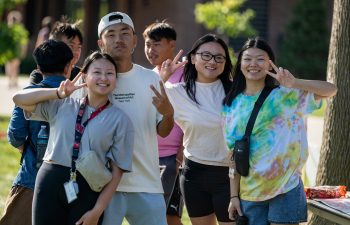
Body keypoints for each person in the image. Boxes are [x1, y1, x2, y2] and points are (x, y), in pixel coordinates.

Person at [76, 12, 187, 225]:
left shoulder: (151, 79)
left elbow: (163, 130)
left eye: (125, 33)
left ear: (135, 40)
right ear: (101, 43)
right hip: (100, 184)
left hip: (146, 183)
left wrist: (168, 113)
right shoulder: (89, 80)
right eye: (111, 34)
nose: (119, 39)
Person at [221, 37, 337, 225]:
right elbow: (233, 155)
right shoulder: (230, 105)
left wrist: (295, 83)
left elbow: (331, 89)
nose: (253, 64)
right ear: (240, 63)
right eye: (248, 58)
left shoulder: (286, 96)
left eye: (260, 58)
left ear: (270, 63)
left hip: (286, 188)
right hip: (250, 192)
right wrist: (234, 196)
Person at [12, 50, 134, 225]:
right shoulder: (63, 103)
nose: (104, 78)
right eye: (97, 72)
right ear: (84, 77)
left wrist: (97, 211)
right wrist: (57, 93)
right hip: (49, 182)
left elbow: (117, 172)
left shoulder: (121, 120)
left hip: (89, 187)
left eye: (110, 73)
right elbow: (18, 99)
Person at [160, 33, 234, 225]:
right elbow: (143, 98)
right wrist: (164, 76)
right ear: (192, 58)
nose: (213, 61)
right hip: (193, 176)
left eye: (219, 57)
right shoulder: (177, 92)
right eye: (206, 55)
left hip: (229, 176)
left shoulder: (236, 92)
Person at [1, 39, 74, 225]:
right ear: (68, 67)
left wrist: (23, 147)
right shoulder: (77, 95)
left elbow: (15, 134)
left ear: (38, 68)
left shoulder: (28, 95)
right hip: (70, 184)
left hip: (31, 178)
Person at [143, 20, 184, 225]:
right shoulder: (147, 75)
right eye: (148, 45)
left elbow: (191, 119)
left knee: (170, 216)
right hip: (148, 157)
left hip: (171, 160)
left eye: (156, 44)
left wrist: (179, 158)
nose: (150, 50)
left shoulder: (186, 75)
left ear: (172, 45)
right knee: (151, 215)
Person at [30, 17, 83, 86]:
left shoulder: (82, 75)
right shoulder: (40, 75)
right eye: (71, 46)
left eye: (79, 47)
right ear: (55, 45)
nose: (76, 51)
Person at [5, 10, 27, 89]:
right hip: (16, 49)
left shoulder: (7, 28)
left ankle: (10, 80)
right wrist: (24, 50)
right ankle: (13, 80)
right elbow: (24, 41)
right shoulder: (20, 28)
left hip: (9, 50)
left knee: (9, 65)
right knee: (15, 66)